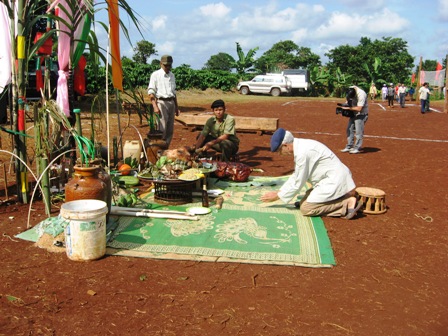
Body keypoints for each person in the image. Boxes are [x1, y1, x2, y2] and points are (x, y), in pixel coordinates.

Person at [260, 128, 363, 219]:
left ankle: (346, 203)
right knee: (303, 201)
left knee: (306, 209)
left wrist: (278, 196)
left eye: (279, 151)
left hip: (334, 180)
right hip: (329, 179)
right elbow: (297, 175)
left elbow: (299, 181)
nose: (280, 154)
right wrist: (280, 191)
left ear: (286, 145)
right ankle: (342, 196)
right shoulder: (301, 146)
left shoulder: (302, 153)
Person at [147, 55, 180, 147]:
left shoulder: (172, 75)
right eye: (166, 65)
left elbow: (173, 92)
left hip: (171, 102)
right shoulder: (155, 75)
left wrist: (176, 107)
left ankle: (166, 147)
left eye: (169, 65)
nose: (168, 67)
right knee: (162, 128)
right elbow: (151, 92)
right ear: (161, 64)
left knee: (170, 129)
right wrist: (155, 106)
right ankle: (159, 147)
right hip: (161, 102)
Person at [340, 85, 368, 154]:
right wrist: (345, 105)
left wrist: (348, 108)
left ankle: (357, 147)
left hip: (361, 114)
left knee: (358, 132)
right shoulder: (350, 89)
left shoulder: (361, 94)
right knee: (349, 129)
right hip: (353, 113)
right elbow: (348, 99)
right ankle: (349, 146)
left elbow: (359, 108)